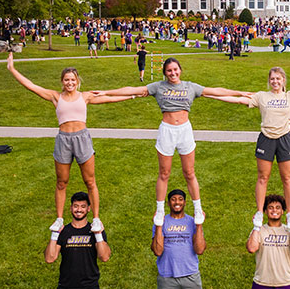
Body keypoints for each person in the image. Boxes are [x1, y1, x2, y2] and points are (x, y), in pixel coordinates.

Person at [93, 57, 250, 225]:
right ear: (165, 73)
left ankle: (198, 208)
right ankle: (159, 210)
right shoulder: (158, 87)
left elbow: (215, 91)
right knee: (164, 173)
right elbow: (133, 89)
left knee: (189, 173)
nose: (173, 73)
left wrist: (239, 93)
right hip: (167, 131)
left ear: (180, 70)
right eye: (169, 70)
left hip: (185, 131)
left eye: (175, 69)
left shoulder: (190, 87)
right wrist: (107, 92)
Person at [7, 52, 139, 234]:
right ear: (62, 81)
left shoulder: (85, 96)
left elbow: (109, 98)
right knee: (61, 182)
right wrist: (12, 69)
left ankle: (97, 219)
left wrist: (133, 96)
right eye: (67, 80)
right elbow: (30, 85)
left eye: (73, 80)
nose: (70, 83)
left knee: (90, 181)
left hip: (82, 138)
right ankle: (59, 219)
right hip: (63, 140)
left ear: (77, 81)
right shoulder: (55, 96)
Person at [214, 52, 290, 229]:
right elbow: (239, 100)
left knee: (287, 178)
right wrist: (212, 95)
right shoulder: (261, 96)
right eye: (272, 79)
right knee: (262, 177)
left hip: (284, 139)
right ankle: (259, 212)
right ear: (269, 81)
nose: (275, 81)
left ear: (283, 81)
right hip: (266, 139)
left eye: (278, 79)